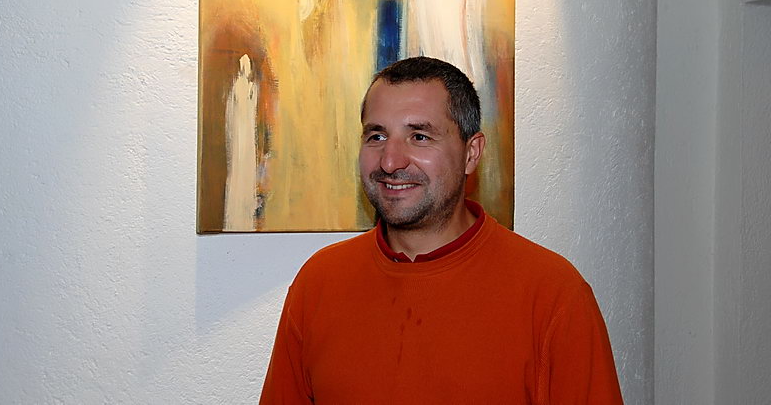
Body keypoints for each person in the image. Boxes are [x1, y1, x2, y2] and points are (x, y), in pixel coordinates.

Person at [260, 57, 623, 404]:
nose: (390, 161)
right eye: (377, 136)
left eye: (419, 136)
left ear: (471, 153)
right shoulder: (318, 283)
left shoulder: (553, 294)